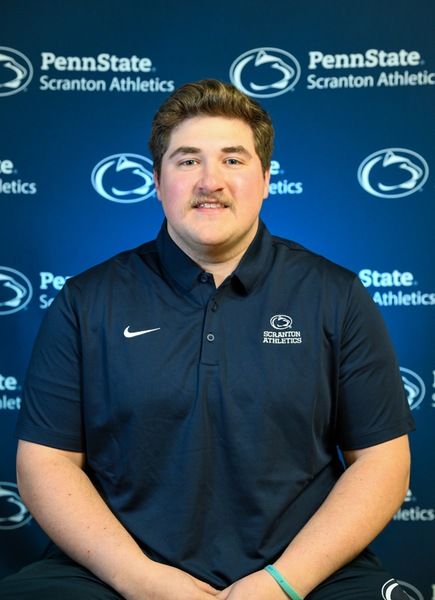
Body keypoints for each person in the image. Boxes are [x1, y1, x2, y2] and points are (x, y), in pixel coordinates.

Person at [0, 79, 414, 600]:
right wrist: (140, 579)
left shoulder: (336, 295)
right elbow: (45, 462)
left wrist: (282, 583)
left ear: (265, 180)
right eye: (187, 160)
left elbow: (382, 461)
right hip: (116, 572)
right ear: (157, 181)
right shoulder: (86, 301)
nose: (209, 181)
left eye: (233, 161)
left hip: (304, 572)